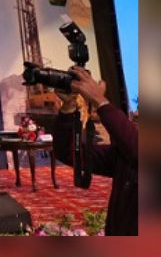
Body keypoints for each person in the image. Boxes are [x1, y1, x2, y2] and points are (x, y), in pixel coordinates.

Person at [53, 66, 138, 235]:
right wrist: (68, 107)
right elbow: (68, 153)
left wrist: (99, 100)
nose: (136, 113)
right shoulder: (124, 155)